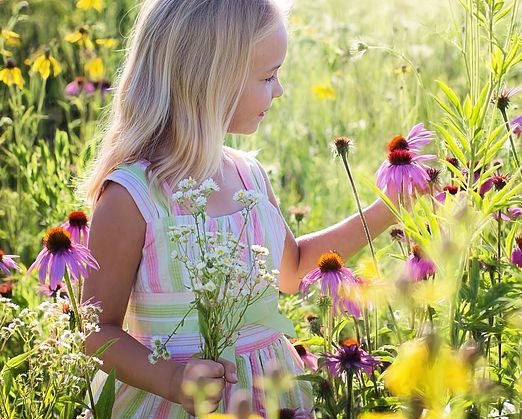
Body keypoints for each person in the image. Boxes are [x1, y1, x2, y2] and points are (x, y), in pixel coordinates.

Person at [79, 0, 397, 416]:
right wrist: (173, 380)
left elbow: (293, 269)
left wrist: (387, 208)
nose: (279, 91)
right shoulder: (132, 197)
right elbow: (95, 332)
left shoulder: (250, 176)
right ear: (209, 79)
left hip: (270, 395)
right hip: (171, 403)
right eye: (269, 76)